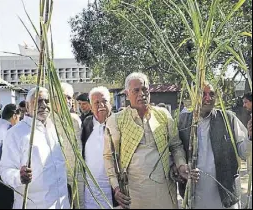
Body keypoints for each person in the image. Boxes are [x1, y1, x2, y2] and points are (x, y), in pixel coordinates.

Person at [103, 72, 188, 209]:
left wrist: (181, 165)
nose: (142, 94)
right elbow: (109, 156)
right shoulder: (117, 120)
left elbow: (176, 145)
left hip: (164, 191)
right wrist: (116, 187)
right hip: (134, 194)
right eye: (136, 90)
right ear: (127, 94)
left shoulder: (163, 115)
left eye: (145, 90)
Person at [178, 82, 251, 209]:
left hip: (226, 197)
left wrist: (250, 137)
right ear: (193, 95)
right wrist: (180, 168)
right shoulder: (182, 122)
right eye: (203, 94)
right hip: (194, 198)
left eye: (212, 94)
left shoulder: (228, 119)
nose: (208, 98)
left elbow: (244, 152)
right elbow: (174, 151)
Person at [0, 87, 70, 209]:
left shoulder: (54, 129)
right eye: (38, 102)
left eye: (46, 101)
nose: (43, 105)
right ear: (27, 106)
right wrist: (19, 176)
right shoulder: (16, 133)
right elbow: (4, 169)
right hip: (34, 204)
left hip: (61, 203)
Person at [81, 86, 117, 209]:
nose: (101, 105)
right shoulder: (87, 124)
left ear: (110, 103)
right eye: (96, 103)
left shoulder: (118, 123)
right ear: (91, 107)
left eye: (104, 101)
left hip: (115, 190)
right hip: (91, 191)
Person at [58, 82, 83, 208]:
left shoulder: (75, 120)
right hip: (57, 177)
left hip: (77, 176)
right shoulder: (47, 121)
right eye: (63, 97)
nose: (67, 101)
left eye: (69, 97)